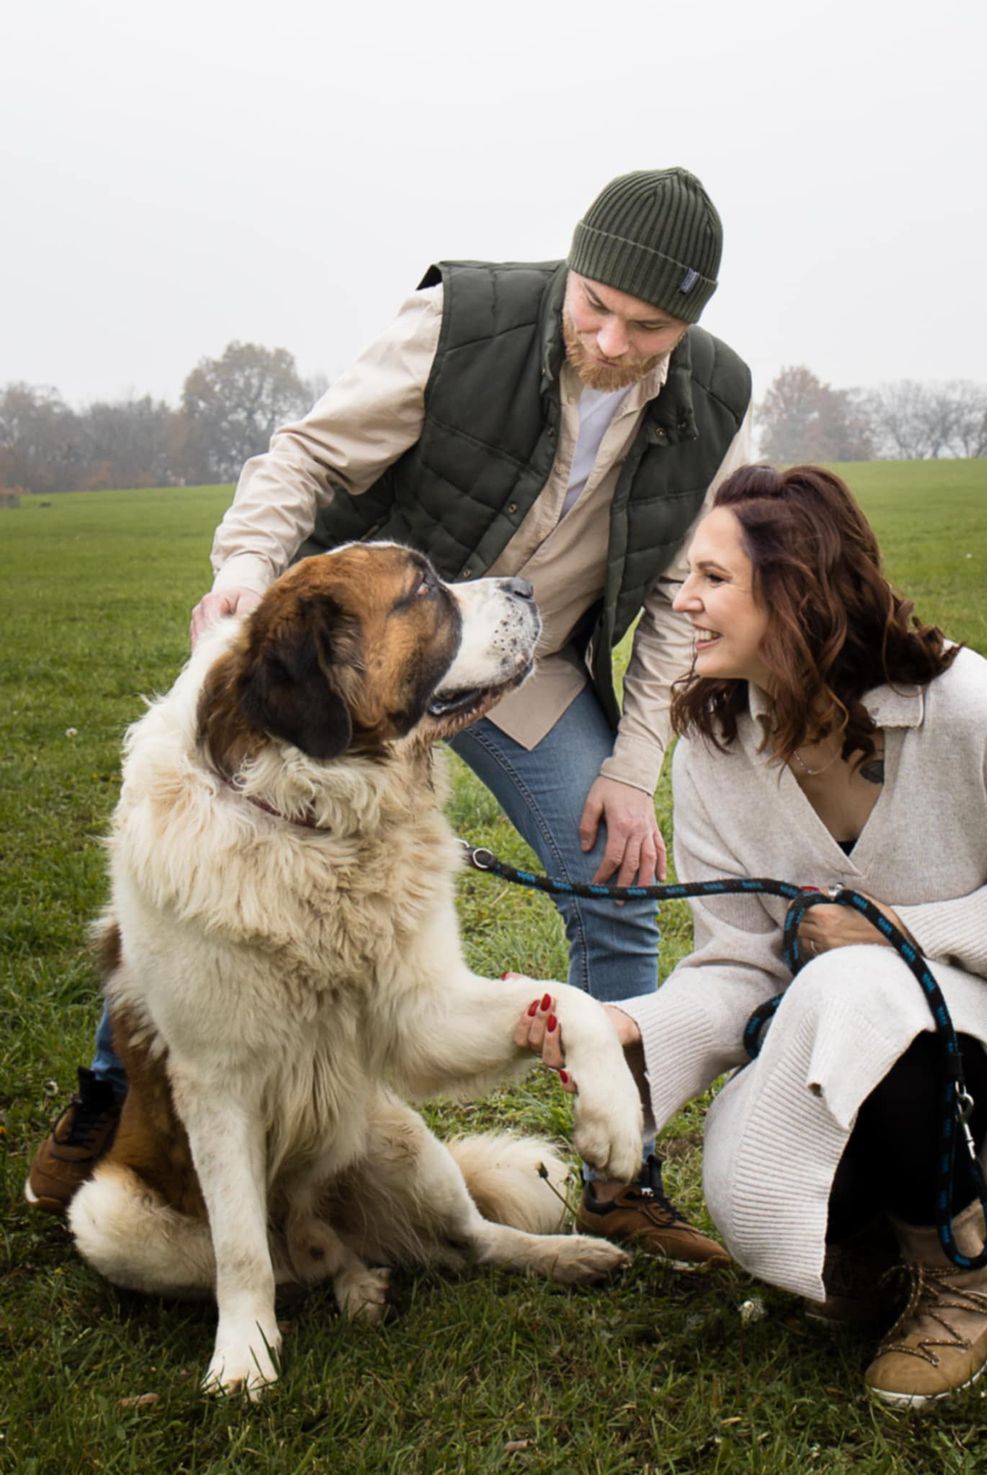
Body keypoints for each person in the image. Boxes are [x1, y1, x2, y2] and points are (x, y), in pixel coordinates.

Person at [26, 168, 752, 1264]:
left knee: (613, 875)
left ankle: (623, 1173)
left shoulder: (717, 404)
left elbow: (671, 604)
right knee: (187, 863)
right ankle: (107, 1095)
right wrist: (242, 578)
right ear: (571, 266)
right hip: (378, 647)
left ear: (688, 324)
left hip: (529, 663)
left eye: (645, 326)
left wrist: (630, 768)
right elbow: (310, 453)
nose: (608, 338)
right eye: (593, 303)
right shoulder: (459, 320)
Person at [518, 463, 987, 1406]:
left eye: (713, 578)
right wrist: (629, 1027)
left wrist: (893, 934)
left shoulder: (971, 710)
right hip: (839, 1037)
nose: (682, 599)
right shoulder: (717, 743)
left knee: (853, 989)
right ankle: (875, 1247)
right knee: (746, 1192)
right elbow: (742, 963)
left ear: (794, 588)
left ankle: (965, 1282)